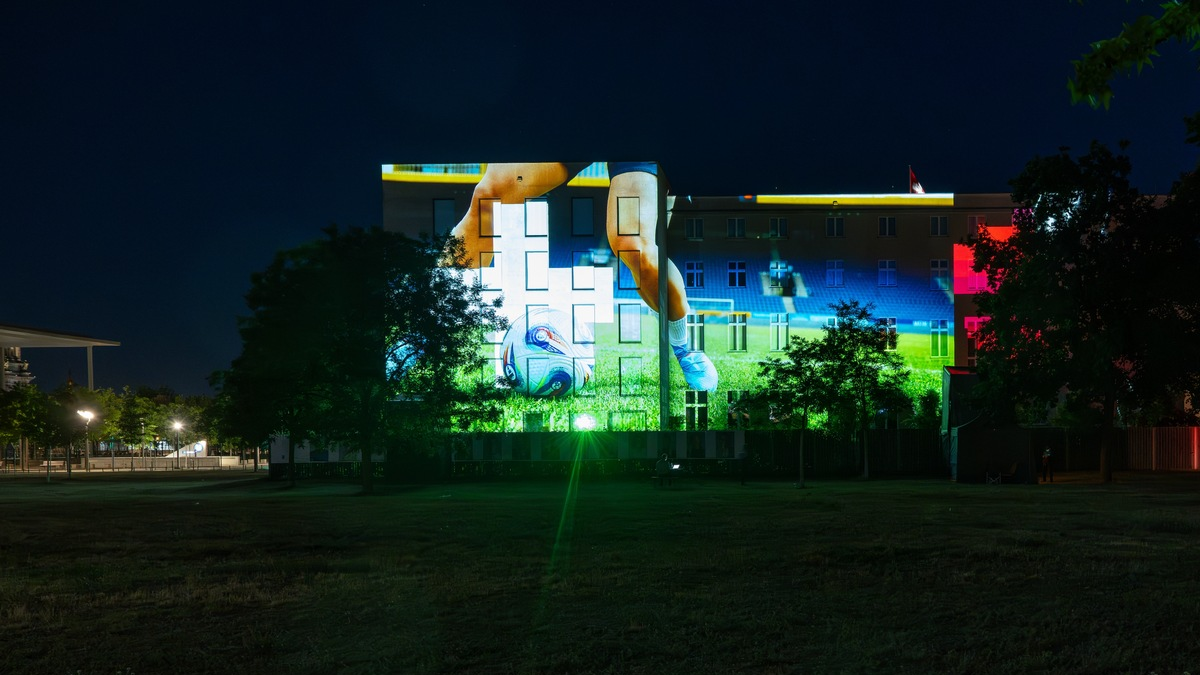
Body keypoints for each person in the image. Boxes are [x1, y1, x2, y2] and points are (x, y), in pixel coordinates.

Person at [448, 162, 718, 392]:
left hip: (635, 116)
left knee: (633, 243)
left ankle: (685, 347)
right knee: (489, 196)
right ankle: (432, 325)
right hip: (574, 109)